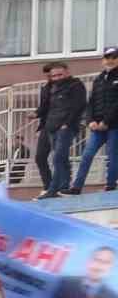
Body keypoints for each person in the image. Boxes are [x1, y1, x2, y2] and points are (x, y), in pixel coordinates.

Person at [69, 46, 118, 195]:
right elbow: (91, 102)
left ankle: (110, 186)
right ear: (102, 60)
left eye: (114, 57)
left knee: (112, 156)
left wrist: (106, 122)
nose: (110, 61)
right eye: (107, 58)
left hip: (114, 125)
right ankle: (76, 187)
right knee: (87, 155)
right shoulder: (98, 79)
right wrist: (90, 120)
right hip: (96, 127)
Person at [35, 61, 88, 199]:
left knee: (58, 157)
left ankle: (54, 189)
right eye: (53, 76)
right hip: (50, 126)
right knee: (56, 158)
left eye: (59, 74)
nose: (56, 78)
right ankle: (59, 188)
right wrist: (37, 115)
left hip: (65, 127)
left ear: (67, 72)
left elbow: (79, 105)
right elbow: (47, 108)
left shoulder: (75, 85)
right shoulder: (50, 88)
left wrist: (67, 123)